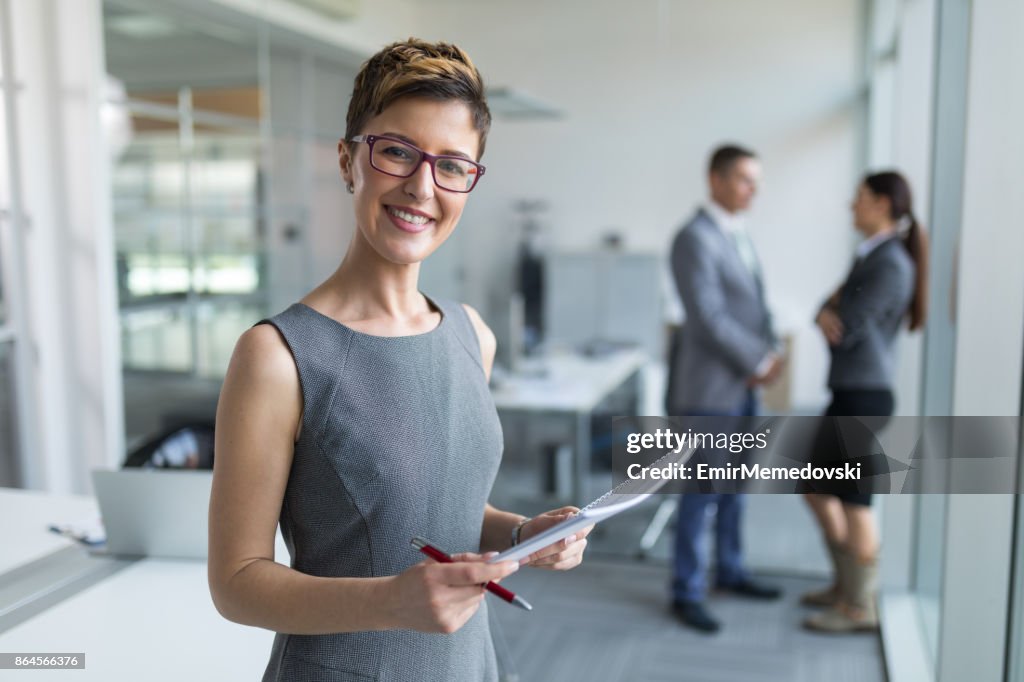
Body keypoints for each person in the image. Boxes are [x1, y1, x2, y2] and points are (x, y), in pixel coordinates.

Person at [207, 39, 592, 681]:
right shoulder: (277, 357)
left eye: (452, 166)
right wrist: (389, 600)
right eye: (396, 152)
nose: (421, 186)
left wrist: (524, 534)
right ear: (349, 160)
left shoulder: (473, 334)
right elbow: (236, 583)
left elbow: (437, 512)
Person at [802, 170, 928, 633]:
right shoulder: (871, 256)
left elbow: (847, 324)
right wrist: (824, 310)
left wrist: (829, 312)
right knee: (814, 486)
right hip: (851, 392)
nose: (850, 206)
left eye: (858, 198)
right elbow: (828, 306)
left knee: (856, 499)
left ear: (880, 204)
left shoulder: (890, 262)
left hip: (865, 395)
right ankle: (846, 584)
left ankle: (860, 604)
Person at [666, 144, 784, 634]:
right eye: (743, 179)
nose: (752, 190)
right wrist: (757, 360)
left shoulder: (738, 232)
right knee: (701, 493)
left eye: (756, 180)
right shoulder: (694, 238)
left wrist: (770, 350)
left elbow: (756, 304)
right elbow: (708, 316)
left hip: (742, 388)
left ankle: (731, 571)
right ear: (714, 179)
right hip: (708, 390)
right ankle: (686, 590)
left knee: (735, 489)